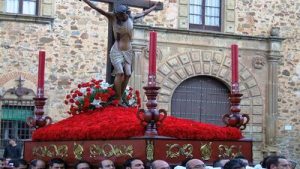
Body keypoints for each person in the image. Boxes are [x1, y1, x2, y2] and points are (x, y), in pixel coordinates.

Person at [81, 0, 161, 105]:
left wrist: (154, 6)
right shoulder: (113, 17)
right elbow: (98, 9)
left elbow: (144, 13)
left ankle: (121, 96)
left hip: (128, 50)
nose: (119, 17)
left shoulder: (132, 18)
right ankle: (118, 98)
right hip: (117, 50)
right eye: (117, 15)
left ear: (125, 13)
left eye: (121, 15)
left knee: (128, 74)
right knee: (120, 73)